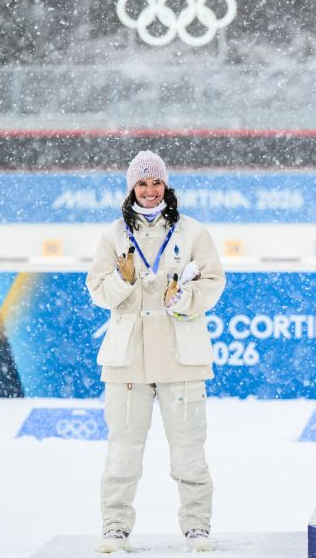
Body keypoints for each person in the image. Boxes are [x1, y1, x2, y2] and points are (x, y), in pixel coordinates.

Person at [86, 150, 225, 553]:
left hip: (181, 360)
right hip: (127, 362)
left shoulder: (192, 232)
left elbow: (213, 284)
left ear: (166, 186)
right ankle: (115, 528)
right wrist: (122, 280)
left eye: (156, 183)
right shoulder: (113, 235)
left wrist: (181, 296)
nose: (150, 191)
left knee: (188, 452)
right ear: (131, 188)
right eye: (142, 184)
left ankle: (197, 528)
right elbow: (98, 290)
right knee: (123, 453)